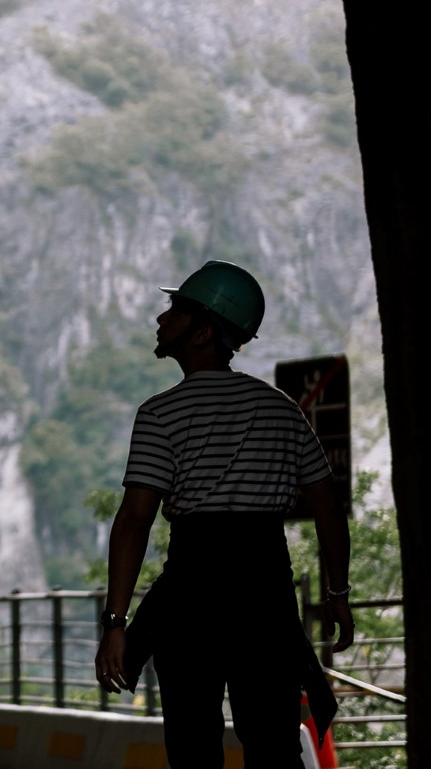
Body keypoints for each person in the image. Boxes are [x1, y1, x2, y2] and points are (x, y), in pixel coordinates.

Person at [94, 260, 354, 769]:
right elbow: (328, 507)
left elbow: (134, 522)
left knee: (193, 746)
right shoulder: (281, 408)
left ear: (204, 331)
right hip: (267, 595)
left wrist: (115, 622)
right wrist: (338, 595)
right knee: (274, 745)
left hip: (192, 595)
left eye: (176, 310)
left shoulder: (160, 413)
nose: (161, 319)